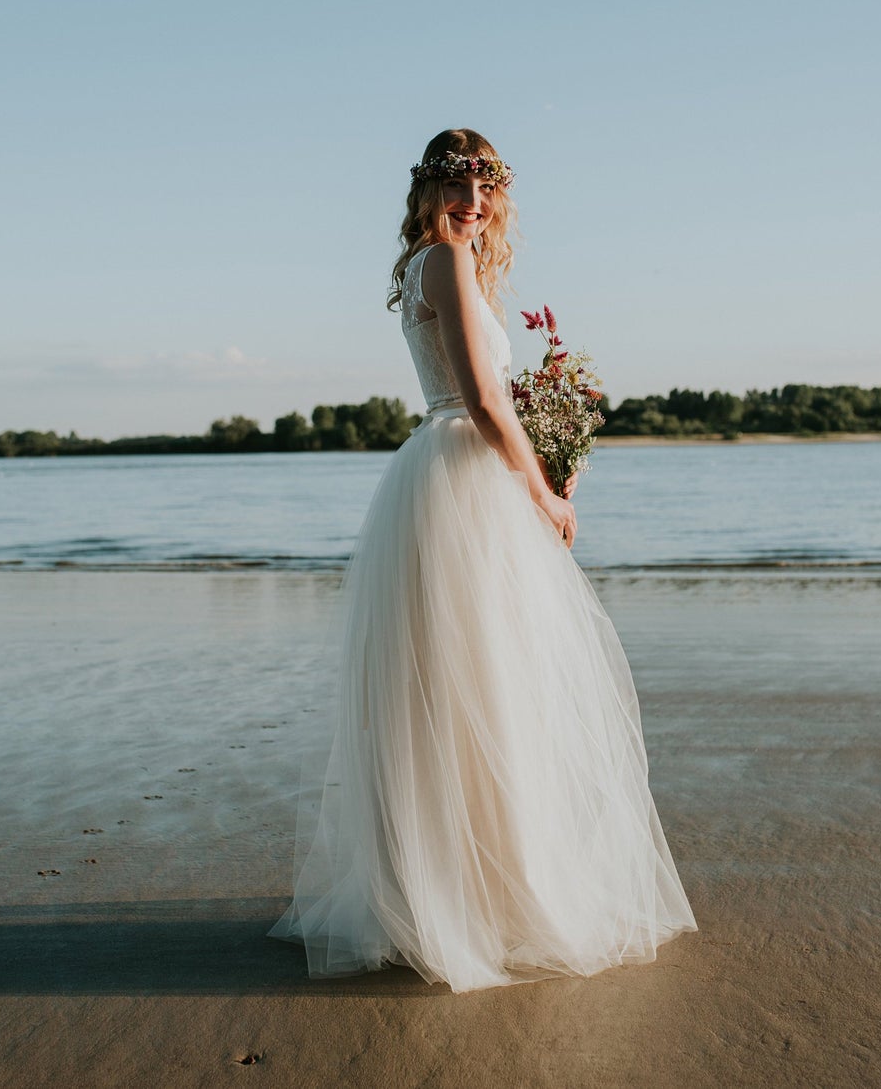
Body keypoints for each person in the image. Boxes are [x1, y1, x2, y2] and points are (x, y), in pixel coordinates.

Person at [269, 129, 696, 993]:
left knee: (477, 689)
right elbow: (483, 398)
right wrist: (545, 492)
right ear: (429, 194)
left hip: (452, 481)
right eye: (459, 189)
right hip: (464, 482)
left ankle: (456, 888)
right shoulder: (444, 263)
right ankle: (472, 897)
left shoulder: (437, 265)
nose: (474, 205)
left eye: (486, 191)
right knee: (484, 687)